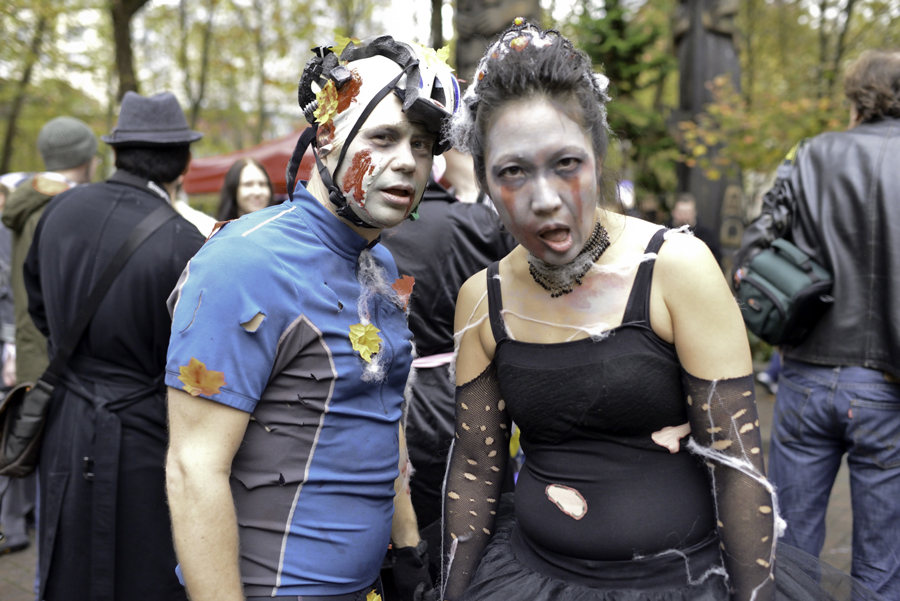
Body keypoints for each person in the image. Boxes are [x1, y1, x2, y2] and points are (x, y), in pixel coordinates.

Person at [437, 20, 885, 601]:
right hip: (527, 579)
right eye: (513, 172)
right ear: (487, 183)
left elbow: (738, 467)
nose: (543, 197)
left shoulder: (677, 268)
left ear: (598, 156)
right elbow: (475, 469)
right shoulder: (482, 300)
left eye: (566, 163)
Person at [165, 35, 459, 601]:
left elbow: (384, 406)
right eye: (385, 137)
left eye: (422, 145)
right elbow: (191, 469)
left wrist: (407, 550)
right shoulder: (242, 263)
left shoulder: (380, 261)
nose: (407, 161)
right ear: (326, 138)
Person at [23, 92, 206, 601]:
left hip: (66, 420)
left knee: (64, 558)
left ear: (117, 152)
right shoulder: (183, 241)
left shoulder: (57, 213)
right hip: (142, 429)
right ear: (184, 163)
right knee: (141, 569)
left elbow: (38, 306)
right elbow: (194, 355)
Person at [733, 49, 900, 600]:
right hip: (889, 386)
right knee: (883, 559)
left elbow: (755, 250)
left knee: (792, 548)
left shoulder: (809, 155)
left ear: (856, 97)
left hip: (805, 374)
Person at [379, 159, 516, 577]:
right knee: (477, 505)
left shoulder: (376, 226)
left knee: (405, 516)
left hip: (394, 390)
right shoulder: (478, 220)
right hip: (467, 384)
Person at [0, 116, 99, 558]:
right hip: (59, 349)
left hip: (27, 346)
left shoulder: (23, 201)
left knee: (31, 444)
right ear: (86, 157)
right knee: (53, 459)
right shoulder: (70, 208)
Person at [670, 194, 722, 264]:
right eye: (681, 213)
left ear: (694, 213)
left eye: (687, 213)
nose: (684, 216)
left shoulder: (706, 234)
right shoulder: (665, 232)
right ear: (674, 213)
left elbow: (715, 258)